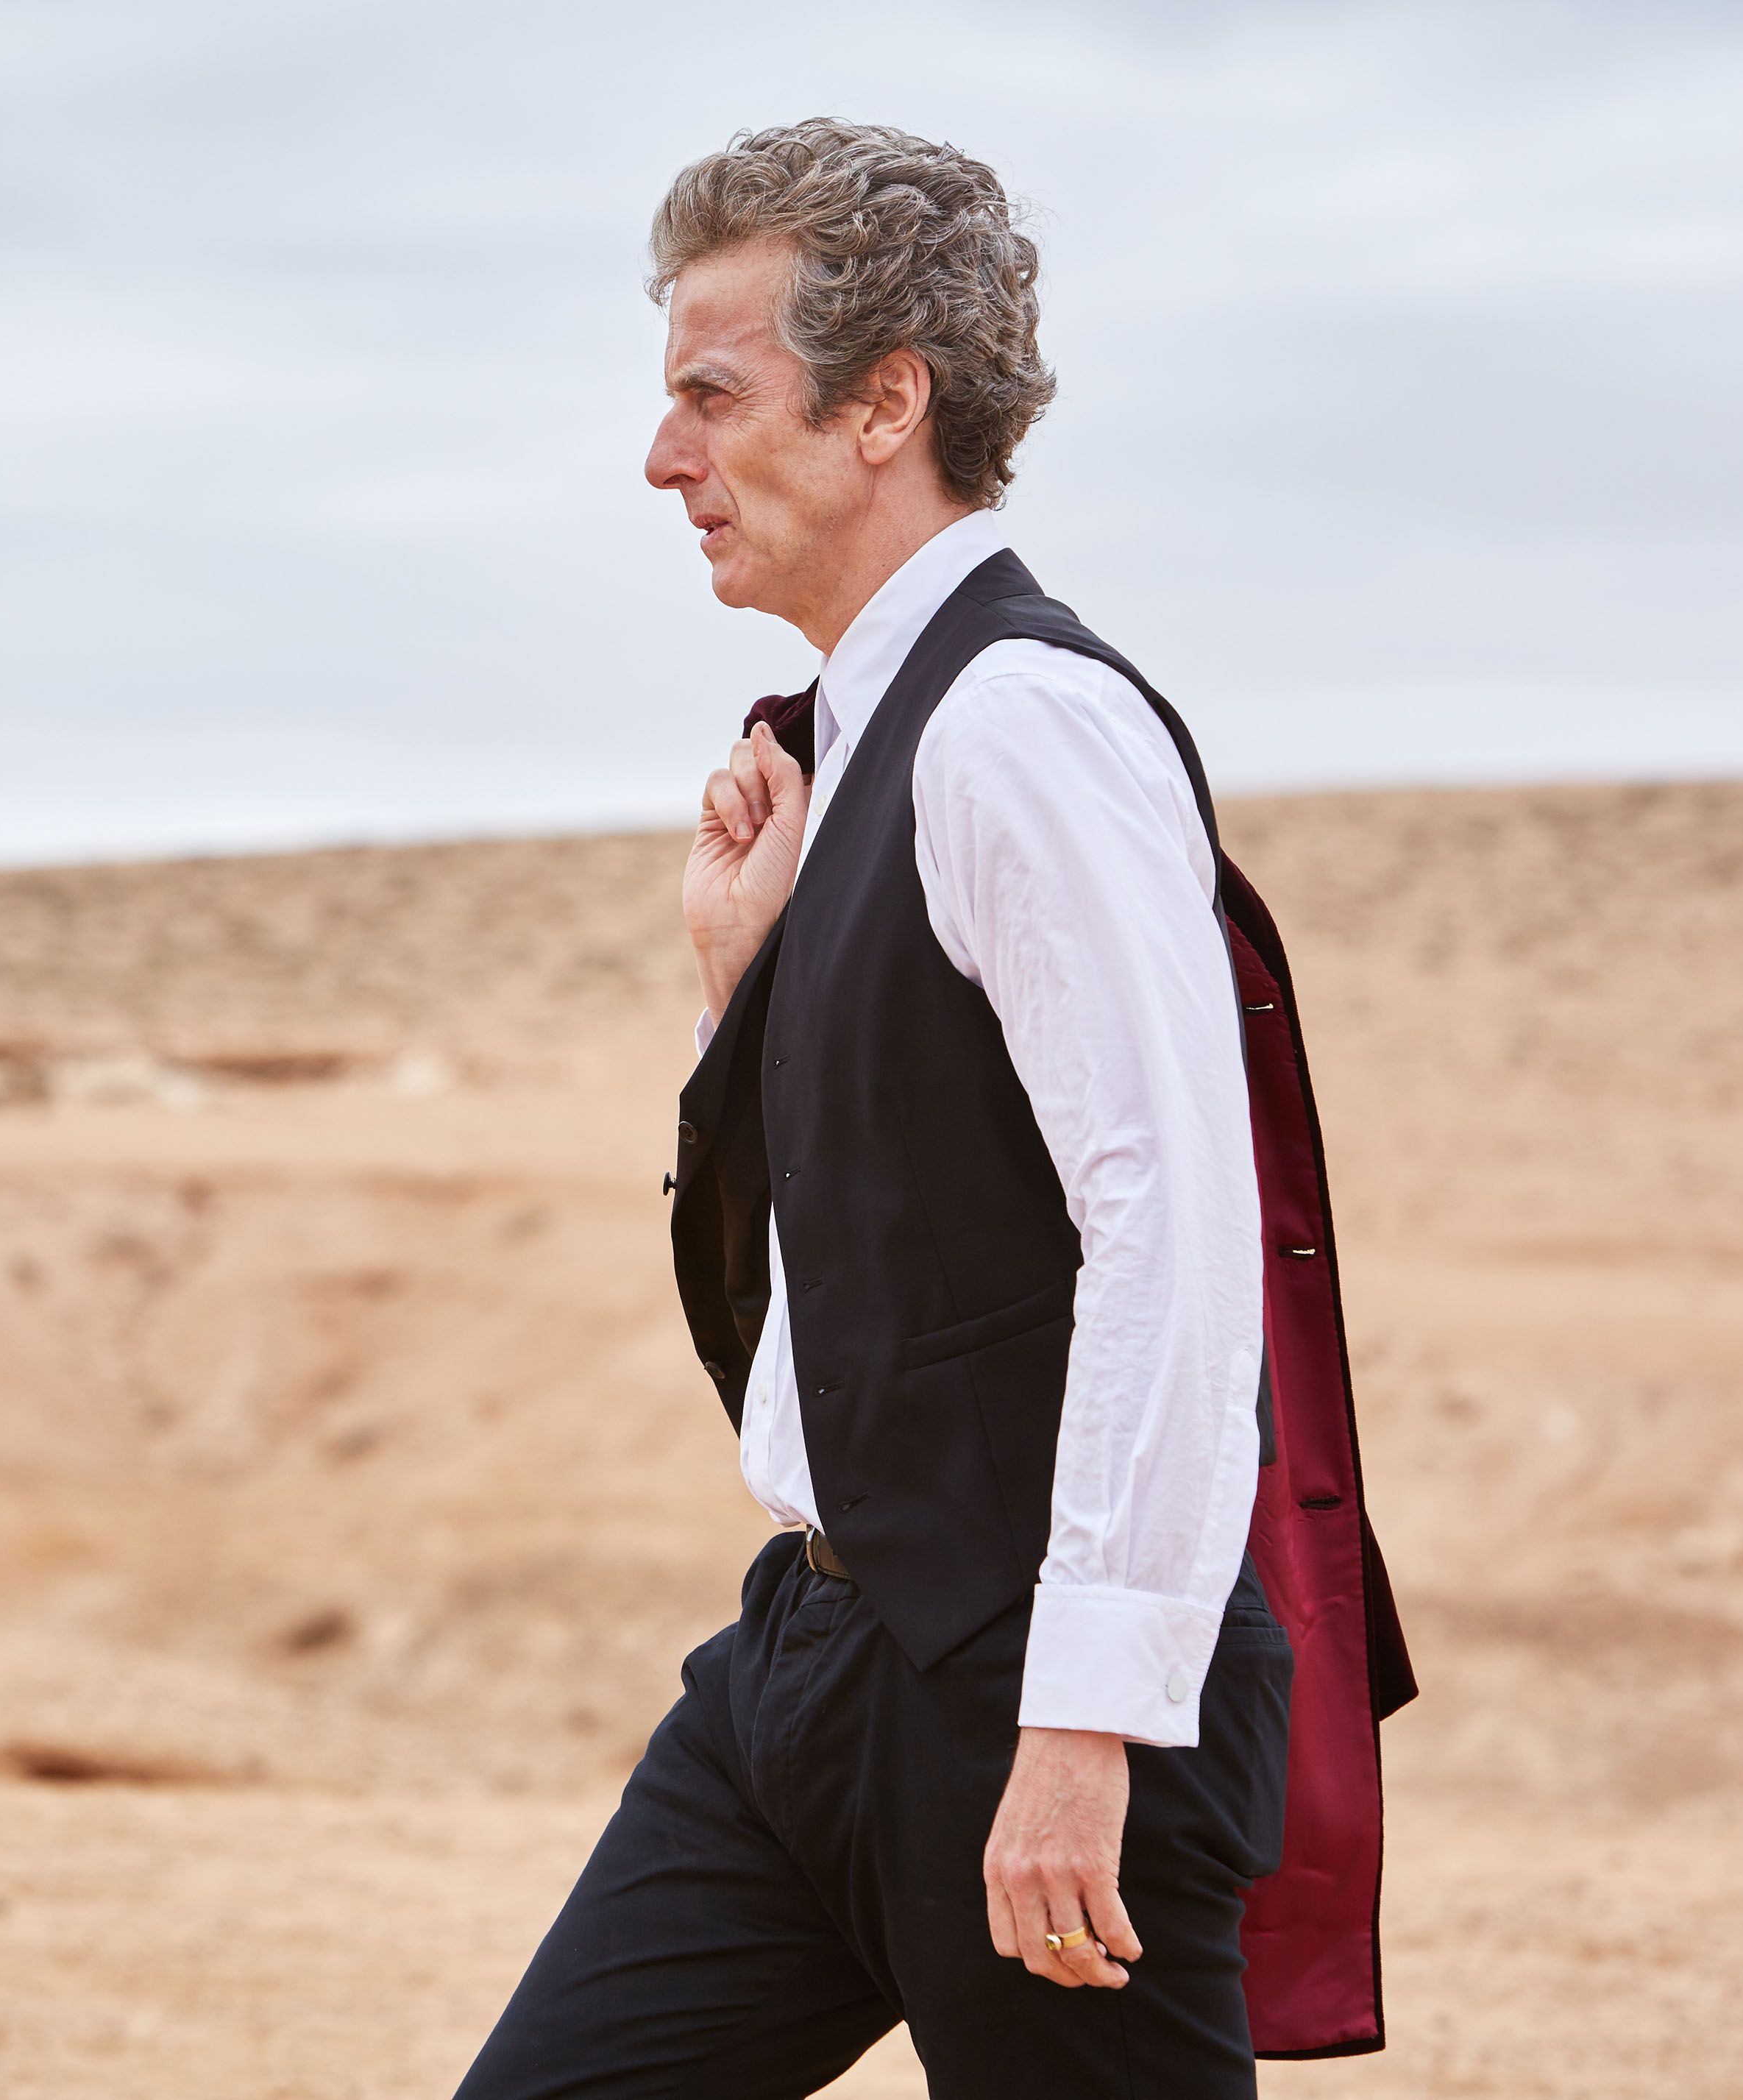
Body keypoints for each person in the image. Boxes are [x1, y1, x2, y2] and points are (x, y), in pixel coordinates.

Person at [452, 119, 1395, 2099]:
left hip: (1023, 1692)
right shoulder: (866, 743)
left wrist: (1087, 1720)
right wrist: (745, 981)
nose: (662, 457)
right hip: (805, 1662)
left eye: (713, 395)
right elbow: (892, 1198)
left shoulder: (1023, 727)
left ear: (884, 406)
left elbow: (1172, 1228)